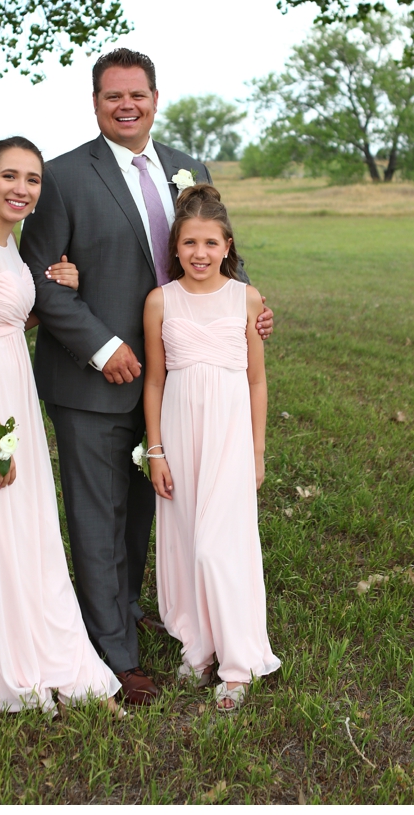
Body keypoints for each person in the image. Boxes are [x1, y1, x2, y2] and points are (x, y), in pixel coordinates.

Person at [19, 48, 272, 705]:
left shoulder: (189, 167)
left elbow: (210, 251)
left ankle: (125, 611)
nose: (126, 105)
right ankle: (113, 656)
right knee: (98, 518)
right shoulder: (65, 177)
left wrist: (248, 308)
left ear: (155, 97)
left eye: (137, 94)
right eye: (112, 96)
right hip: (97, 381)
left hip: (180, 380)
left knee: (144, 514)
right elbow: (40, 282)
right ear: (96, 102)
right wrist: (103, 349)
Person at [0, 137, 122, 713]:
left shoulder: (7, 244)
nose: (22, 189)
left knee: (25, 528)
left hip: (10, 391)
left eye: (32, 180)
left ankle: (55, 653)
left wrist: (57, 288)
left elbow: (8, 318)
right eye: (10, 176)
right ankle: (5, 660)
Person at [141, 184, 280, 711]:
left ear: (228, 247)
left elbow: (257, 381)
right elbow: (153, 382)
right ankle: (198, 645)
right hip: (178, 431)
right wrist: (156, 450)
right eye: (189, 243)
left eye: (210, 243)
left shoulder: (245, 298)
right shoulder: (160, 301)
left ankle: (240, 663)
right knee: (183, 539)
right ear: (174, 248)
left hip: (228, 433)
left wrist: (257, 449)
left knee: (219, 544)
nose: (200, 254)